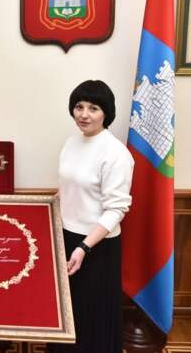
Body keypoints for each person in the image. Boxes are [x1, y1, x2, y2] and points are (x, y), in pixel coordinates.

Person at [52, 80, 134, 353]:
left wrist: (84, 247)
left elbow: (116, 210)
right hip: (66, 236)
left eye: (93, 108)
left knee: (91, 317)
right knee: (66, 313)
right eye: (79, 107)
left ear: (106, 113)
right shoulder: (71, 143)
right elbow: (67, 189)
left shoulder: (116, 153)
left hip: (96, 246)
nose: (84, 114)